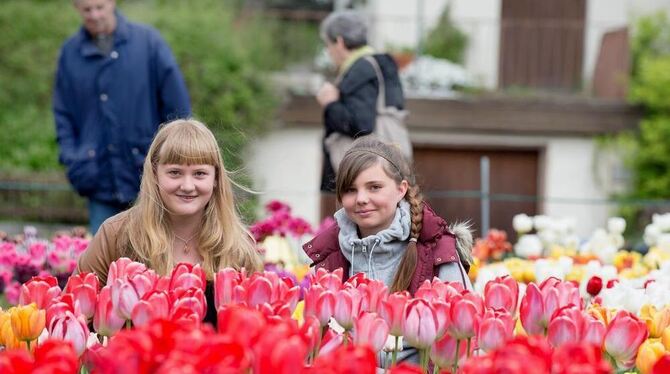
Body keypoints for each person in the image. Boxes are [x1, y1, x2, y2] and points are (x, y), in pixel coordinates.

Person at [303, 138, 472, 366]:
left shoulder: (438, 251)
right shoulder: (329, 259)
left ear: (401, 189)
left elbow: (465, 335)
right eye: (351, 190)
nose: (362, 199)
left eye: (374, 187)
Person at [75, 119, 263, 323]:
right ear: (155, 174)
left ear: (216, 178)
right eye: (175, 172)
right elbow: (74, 311)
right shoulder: (115, 235)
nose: (188, 185)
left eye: (200, 173)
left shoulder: (237, 246)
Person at [53, 0, 191, 234]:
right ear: (76, 8)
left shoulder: (148, 43)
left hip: (149, 177)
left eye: (100, 7)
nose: (95, 15)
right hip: (97, 178)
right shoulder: (70, 53)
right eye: (87, 9)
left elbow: (178, 111)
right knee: (103, 264)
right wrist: (74, 158)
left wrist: (173, 162)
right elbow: (63, 114)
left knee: (154, 260)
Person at [316, 10, 405, 219]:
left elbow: (361, 124)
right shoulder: (380, 66)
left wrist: (331, 104)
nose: (328, 52)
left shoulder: (361, 69)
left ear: (339, 42)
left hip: (363, 168)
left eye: (328, 45)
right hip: (382, 169)